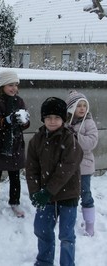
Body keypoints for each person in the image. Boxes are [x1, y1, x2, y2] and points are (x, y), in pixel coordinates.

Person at [26, 97, 83, 266]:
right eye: (48, 117)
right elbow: (31, 169)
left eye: (57, 117)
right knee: (42, 230)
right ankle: (44, 261)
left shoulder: (70, 140)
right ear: (43, 119)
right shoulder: (36, 140)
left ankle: (67, 263)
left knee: (66, 235)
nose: (52, 121)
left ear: (63, 119)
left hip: (68, 196)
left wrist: (48, 191)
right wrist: (35, 192)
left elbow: (67, 169)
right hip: (45, 197)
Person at [0, 70, 30, 218]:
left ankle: (15, 202)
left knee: (15, 177)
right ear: (2, 85)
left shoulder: (19, 101)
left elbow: (25, 122)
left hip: (15, 144)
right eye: (10, 85)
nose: (14, 88)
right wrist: (8, 120)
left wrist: (24, 121)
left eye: (16, 85)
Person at [66, 90, 98, 236]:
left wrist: (75, 137)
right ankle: (68, 220)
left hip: (84, 166)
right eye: (79, 106)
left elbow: (91, 142)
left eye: (85, 105)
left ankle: (90, 224)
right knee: (70, 195)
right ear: (71, 108)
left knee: (85, 194)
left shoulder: (89, 123)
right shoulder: (66, 124)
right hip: (69, 167)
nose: (82, 108)